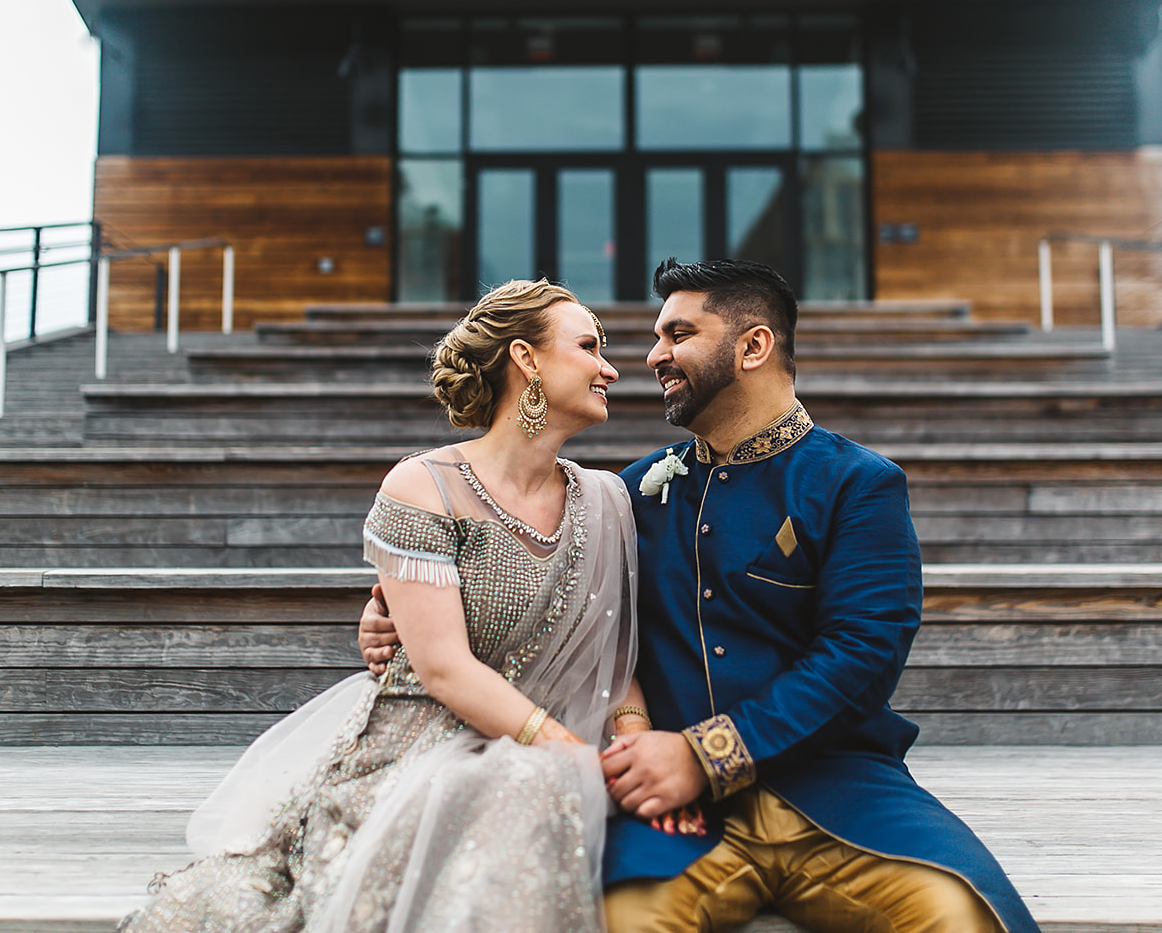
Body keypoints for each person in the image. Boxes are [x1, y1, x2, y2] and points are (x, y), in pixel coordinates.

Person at [362, 260, 1040, 933]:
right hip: (675, 819)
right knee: (617, 919)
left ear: (753, 346)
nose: (653, 355)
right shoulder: (628, 493)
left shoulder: (856, 484)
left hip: (838, 794)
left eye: (678, 333)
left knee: (963, 916)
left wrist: (705, 755)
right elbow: (512, 560)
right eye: (657, 337)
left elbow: (862, 654)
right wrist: (389, 605)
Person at [122, 279, 650, 933]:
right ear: (526, 359)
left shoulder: (608, 499)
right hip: (422, 742)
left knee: (537, 783)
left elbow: (618, 658)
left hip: (552, 747)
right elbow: (444, 668)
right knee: (524, 784)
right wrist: (568, 749)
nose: (610, 367)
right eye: (590, 346)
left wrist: (637, 749)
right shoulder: (424, 487)